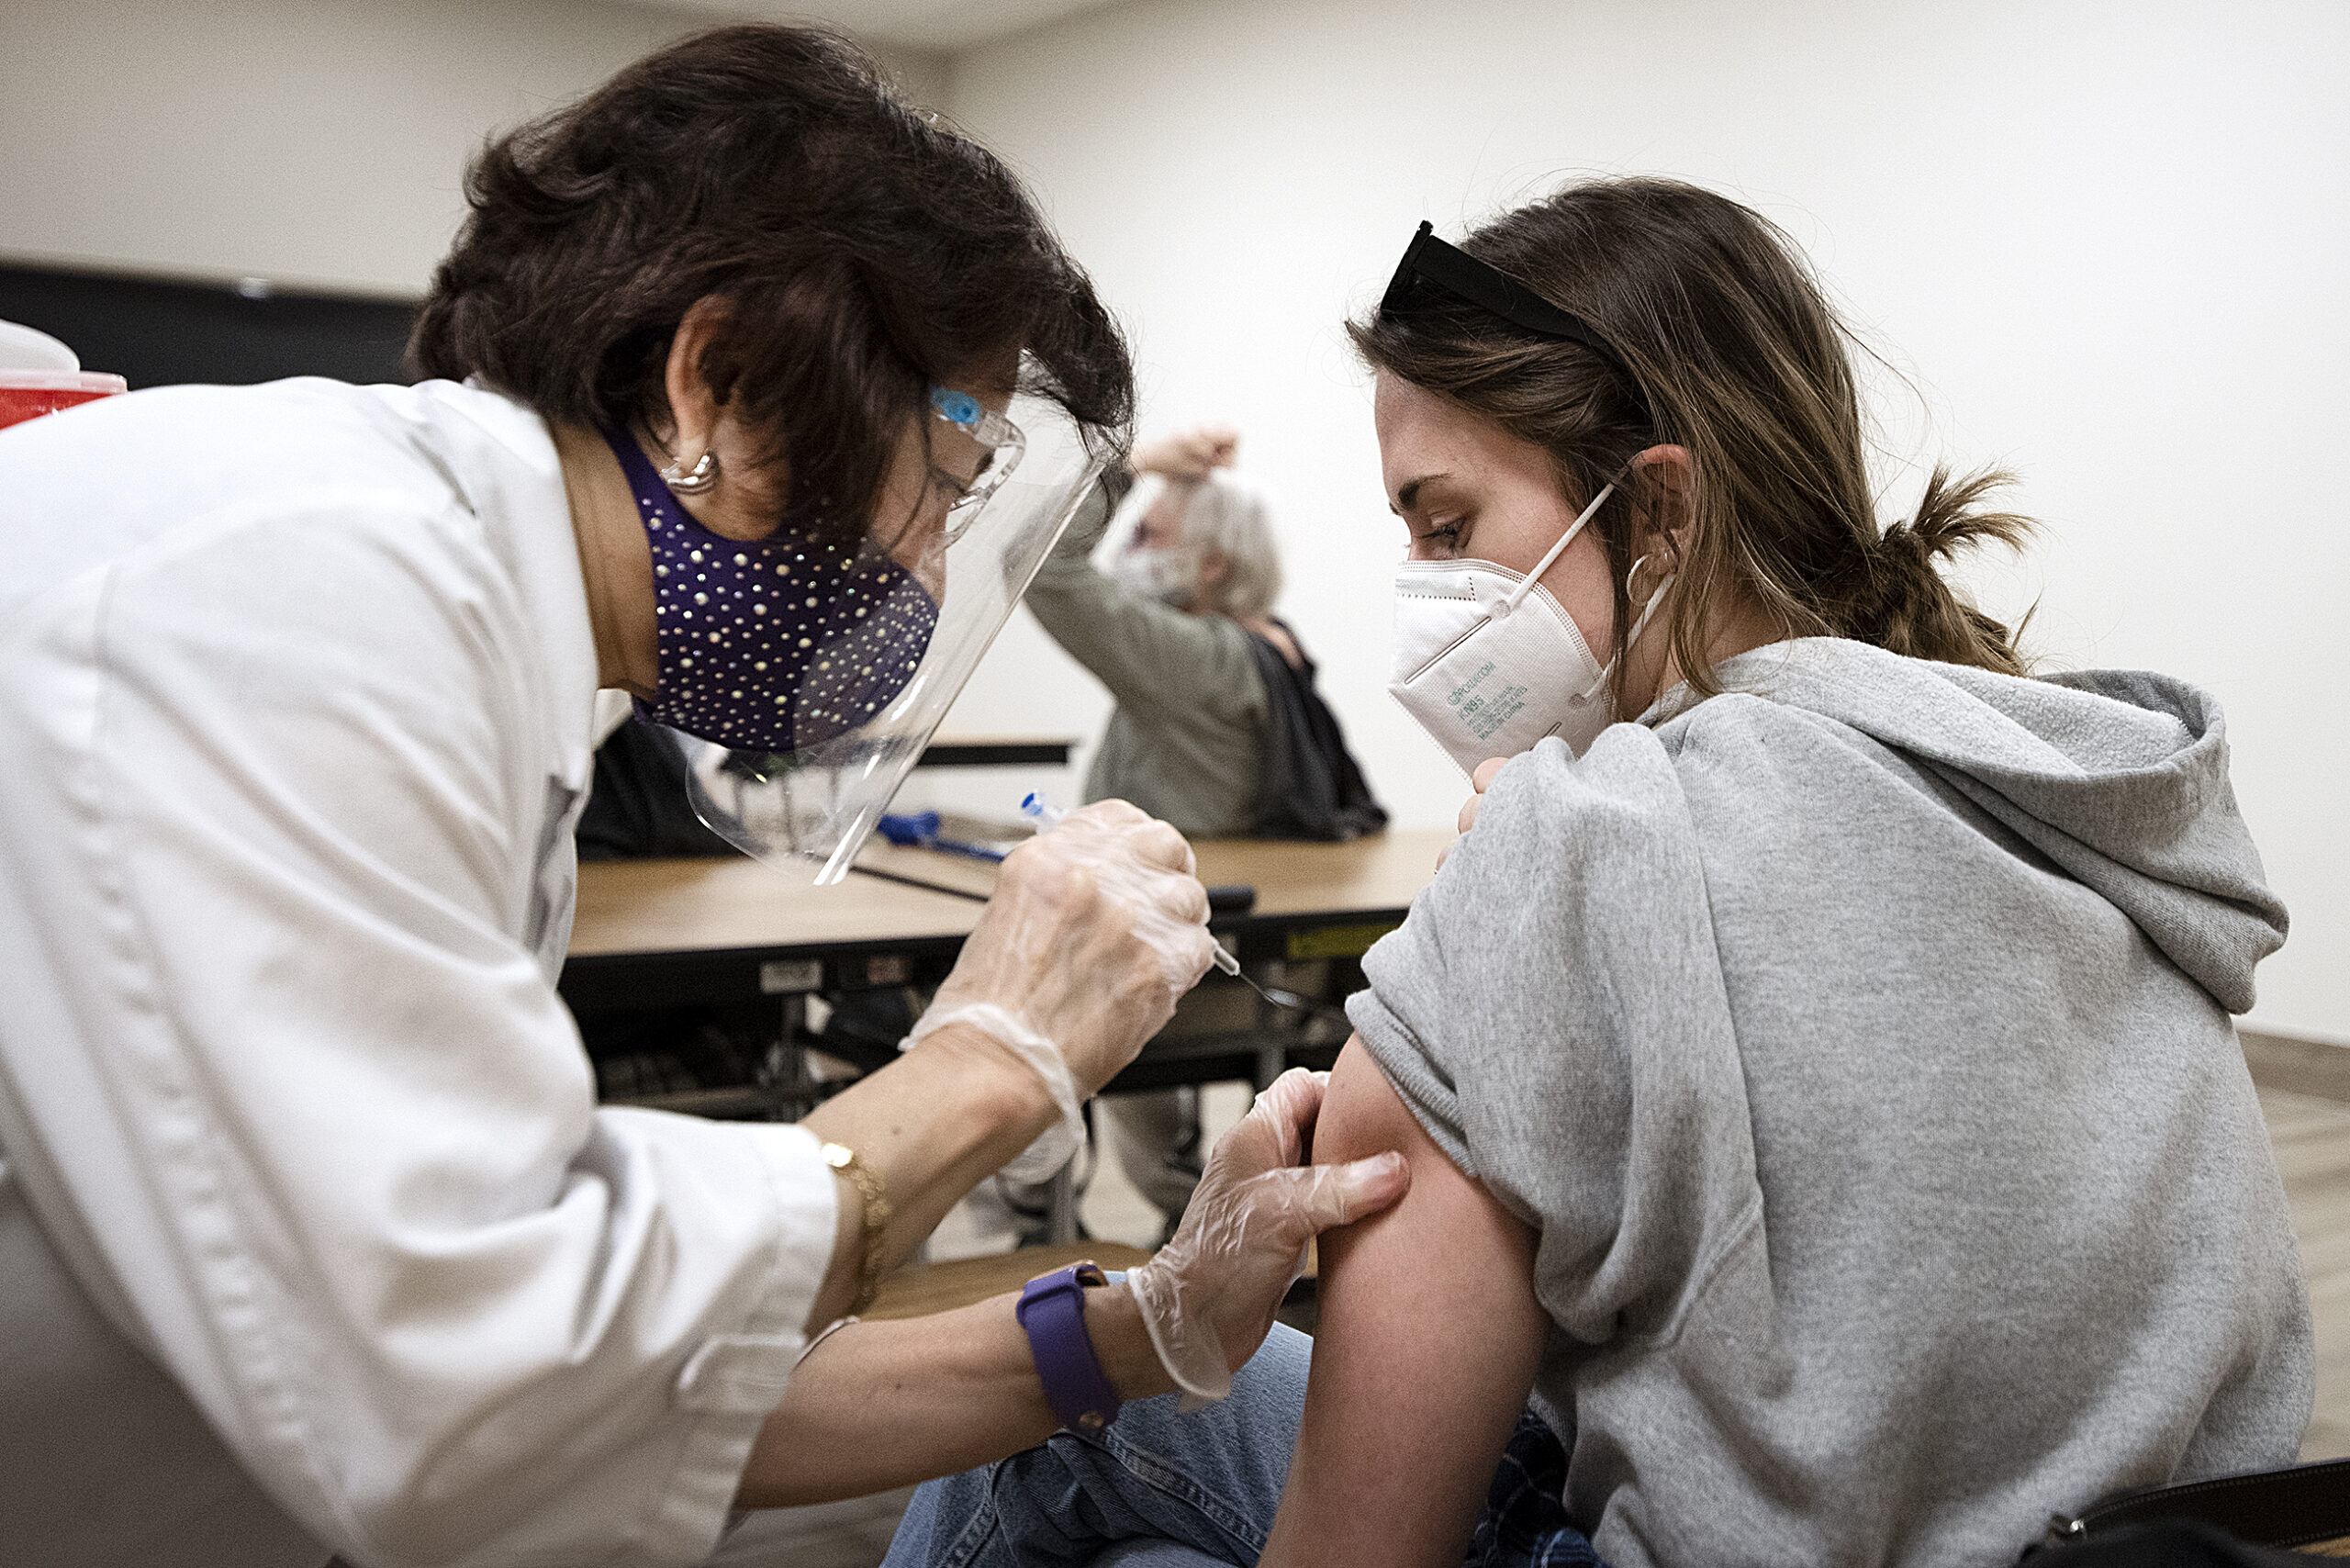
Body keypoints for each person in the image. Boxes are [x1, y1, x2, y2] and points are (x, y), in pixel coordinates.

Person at [0, 27, 1410, 1568]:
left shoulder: (486, 626)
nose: (930, 576)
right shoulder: (304, 598)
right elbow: (464, 1405)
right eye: (943, 488)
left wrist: (1141, 1332)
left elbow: (610, 1381)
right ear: (715, 380)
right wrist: (991, 1061)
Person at [883, 178, 2309, 1568]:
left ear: (1662, 514)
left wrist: (1512, 918)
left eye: (1448, 527)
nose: (1427, 594)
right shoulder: (2071, 796)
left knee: (1074, 1446)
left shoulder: (1568, 853)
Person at [1018, 429, 1384, 1238]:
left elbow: (1045, 569)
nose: (1131, 548)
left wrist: (1136, 465)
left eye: (1148, 533)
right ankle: (1184, 1221)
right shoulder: (1263, 649)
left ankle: (1138, 1226)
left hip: (1185, 979)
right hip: (1231, 962)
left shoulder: (1198, 660)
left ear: (1210, 566)